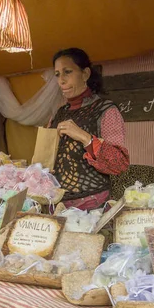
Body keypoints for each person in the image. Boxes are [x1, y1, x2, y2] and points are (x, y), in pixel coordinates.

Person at [50, 48, 130, 210]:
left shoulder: (105, 110)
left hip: (93, 206)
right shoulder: (59, 114)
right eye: (57, 74)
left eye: (67, 72)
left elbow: (119, 164)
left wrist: (85, 137)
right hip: (58, 205)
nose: (61, 81)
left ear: (85, 74)